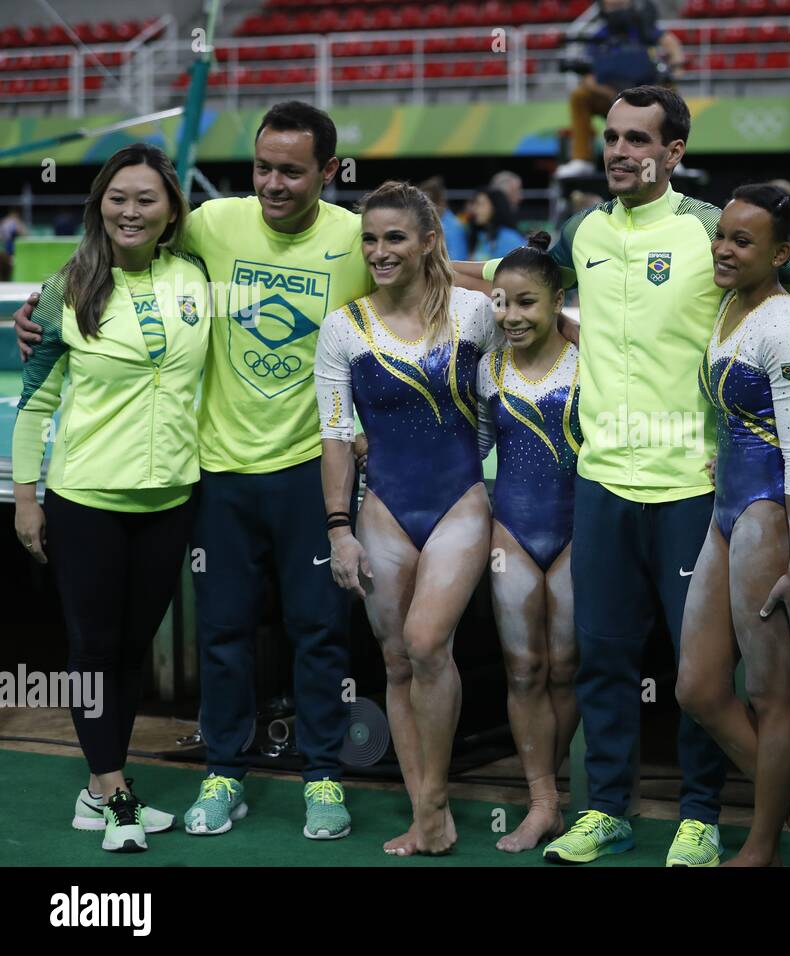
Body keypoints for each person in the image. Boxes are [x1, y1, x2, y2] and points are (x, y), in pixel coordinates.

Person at [453, 84, 790, 866]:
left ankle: (698, 816)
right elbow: (514, 276)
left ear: (673, 153)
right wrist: (430, 260)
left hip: (692, 482)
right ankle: (608, 809)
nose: (619, 151)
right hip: (601, 481)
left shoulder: (707, 231)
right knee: (604, 658)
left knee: (700, 676)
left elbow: (785, 302)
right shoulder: (585, 229)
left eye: (636, 141)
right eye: (613, 138)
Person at [15, 101, 374, 840]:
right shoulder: (211, 226)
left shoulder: (347, 237)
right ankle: (220, 772)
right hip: (212, 476)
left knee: (319, 630)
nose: (273, 183)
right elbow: (100, 264)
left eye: (291, 170)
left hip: (307, 469)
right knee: (219, 632)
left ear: (328, 173)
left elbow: (428, 261)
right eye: (263, 167)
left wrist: (529, 282)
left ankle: (325, 778)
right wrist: (41, 309)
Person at [11, 144, 209, 852]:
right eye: (118, 197)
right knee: (92, 646)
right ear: (99, 205)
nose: (131, 210)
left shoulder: (196, 276)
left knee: (129, 647)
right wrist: (27, 497)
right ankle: (113, 788)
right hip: (86, 499)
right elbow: (35, 403)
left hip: (170, 500)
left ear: (170, 211)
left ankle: (99, 787)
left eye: (146, 199)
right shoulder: (69, 287)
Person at [316, 180, 498, 856]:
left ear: (427, 242)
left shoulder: (474, 315)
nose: (380, 251)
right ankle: (427, 814)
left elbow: (545, 316)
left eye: (395, 238)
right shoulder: (344, 327)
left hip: (459, 499)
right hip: (384, 505)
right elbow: (336, 434)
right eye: (370, 239)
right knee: (395, 661)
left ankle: (436, 800)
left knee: (425, 643)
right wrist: (340, 526)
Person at [675, 184, 790, 867]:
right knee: (699, 689)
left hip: (771, 512)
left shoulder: (784, 324)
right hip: (728, 507)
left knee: (773, 695)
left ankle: (763, 843)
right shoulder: (730, 307)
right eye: (722, 235)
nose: (723, 248)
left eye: (743, 242)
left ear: (782, 253)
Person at [476, 234, 581, 852]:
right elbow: (478, 447)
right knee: (524, 669)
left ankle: (551, 789)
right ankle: (541, 800)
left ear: (557, 302)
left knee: (566, 668)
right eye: (501, 303)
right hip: (510, 529)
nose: (511, 316)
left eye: (526, 303)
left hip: (577, 530)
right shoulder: (489, 369)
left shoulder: (586, 358)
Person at [556, 0, 684, 178]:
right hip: (610, 97)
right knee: (580, 96)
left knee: (670, 94)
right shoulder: (599, 35)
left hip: (646, 97)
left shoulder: (641, 28)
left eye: (619, 4)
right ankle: (582, 160)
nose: (615, 7)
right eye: (610, 5)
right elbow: (589, 78)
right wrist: (615, 96)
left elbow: (670, 42)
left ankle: (670, 158)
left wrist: (676, 66)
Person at [466, 188, 526, 261]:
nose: (474, 209)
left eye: (480, 204)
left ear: (495, 207)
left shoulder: (510, 239)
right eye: (474, 204)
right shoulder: (480, 235)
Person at [419, 175, 469, 261]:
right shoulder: (425, 223)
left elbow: (459, 260)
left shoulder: (455, 226)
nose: (422, 209)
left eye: (426, 205)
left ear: (439, 202)